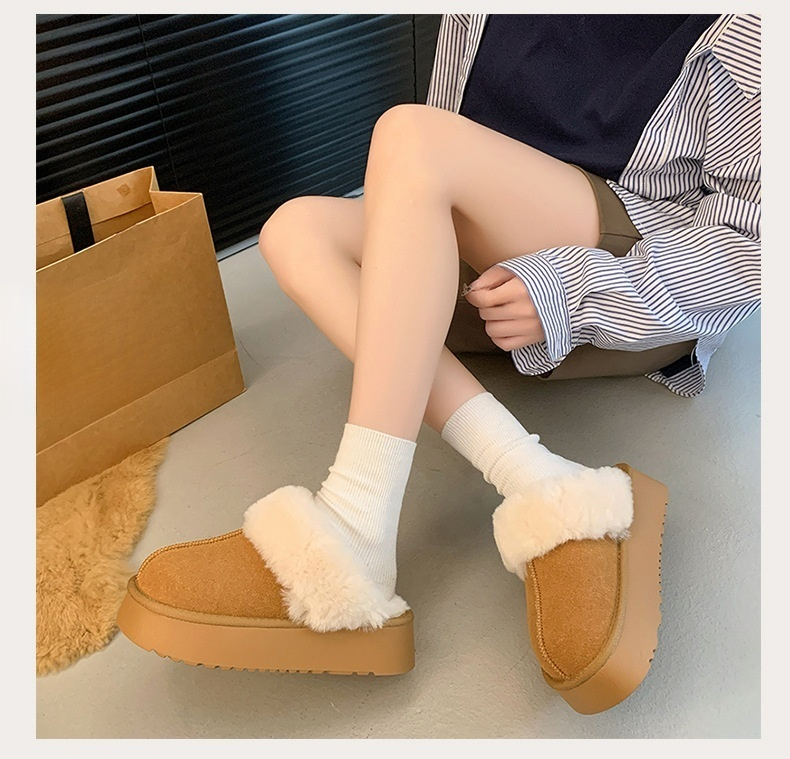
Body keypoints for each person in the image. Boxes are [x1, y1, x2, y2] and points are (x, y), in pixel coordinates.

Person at [116, 14, 761, 715]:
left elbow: (751, 246)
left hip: (635, 282)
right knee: (294, 230)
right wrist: (420, 233)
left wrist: (571, 290)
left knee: (412, 135)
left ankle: (355, 517)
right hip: (490, 262)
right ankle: (539, 477)